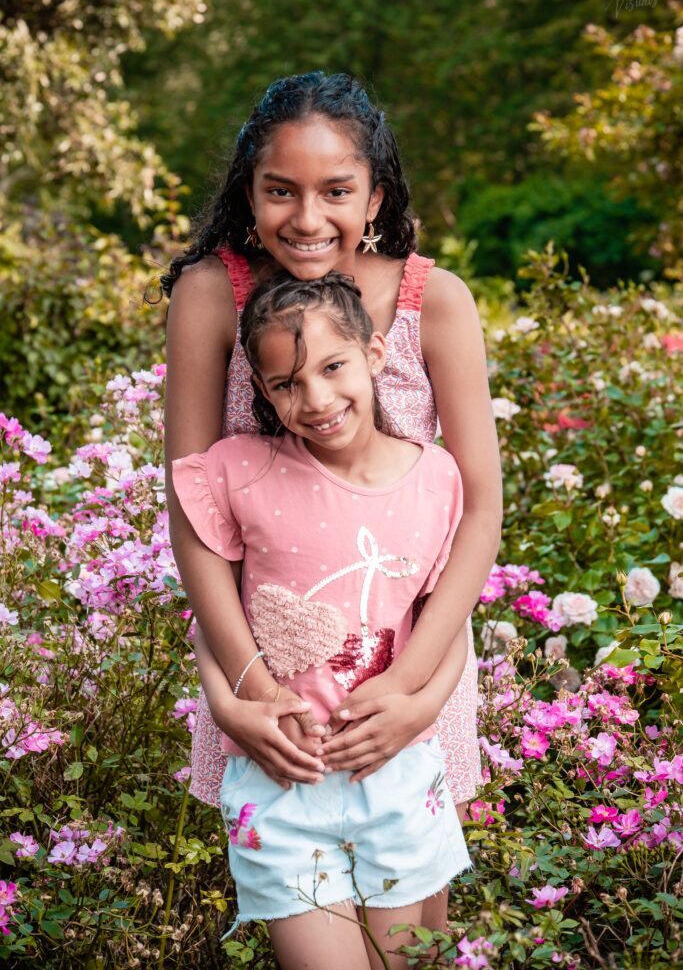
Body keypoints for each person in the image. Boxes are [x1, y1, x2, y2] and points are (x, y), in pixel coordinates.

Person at [162, 71, 502, 935]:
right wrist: (240, 691)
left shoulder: (433, 301)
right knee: (305, 907)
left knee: (411, 937)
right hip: (269, 679)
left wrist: (415, 691)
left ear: (375, 196)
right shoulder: (211, 293)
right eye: (280, 190)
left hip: (414, 668)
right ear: (249, 193)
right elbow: (193, 512)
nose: (307, 217)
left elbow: (477, 508)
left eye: (336, 192)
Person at [171, 272, 472, 969]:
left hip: (394, 770)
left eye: (333, 367)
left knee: (407, 959)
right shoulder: (237, 470)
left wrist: (419, 702)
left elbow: (447, 624)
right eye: (287, 384)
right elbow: (214, 616)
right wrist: (229, 702)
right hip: (278, 784)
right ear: (261, 389)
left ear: (375, 354)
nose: (315, 400)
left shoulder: (435, 479)